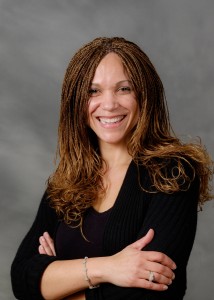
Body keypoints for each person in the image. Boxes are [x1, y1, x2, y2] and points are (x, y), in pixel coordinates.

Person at [11, 37, 213, 300]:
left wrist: (59, 281)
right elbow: (22, 279)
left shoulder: (173, 173)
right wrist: (108, 268)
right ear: (76, 102)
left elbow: (147, 295)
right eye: (93, 91)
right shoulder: (67, 180)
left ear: (144, 94)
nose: (108, 104)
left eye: (124, 88)